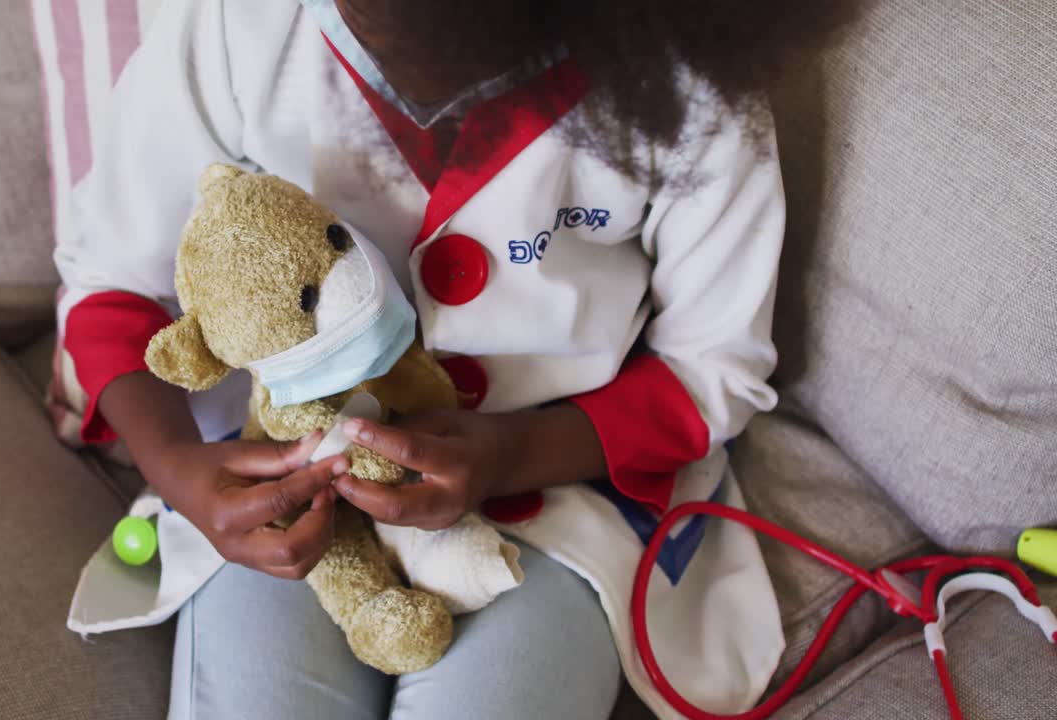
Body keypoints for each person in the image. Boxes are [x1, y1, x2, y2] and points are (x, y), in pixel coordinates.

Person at [55, 1, 848, 717]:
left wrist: (512, 454)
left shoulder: (692, 84)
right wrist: (183, 469)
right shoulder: (235, 28)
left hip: (557, 495)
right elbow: (115, 288)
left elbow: (713, 364)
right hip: (282, 479)